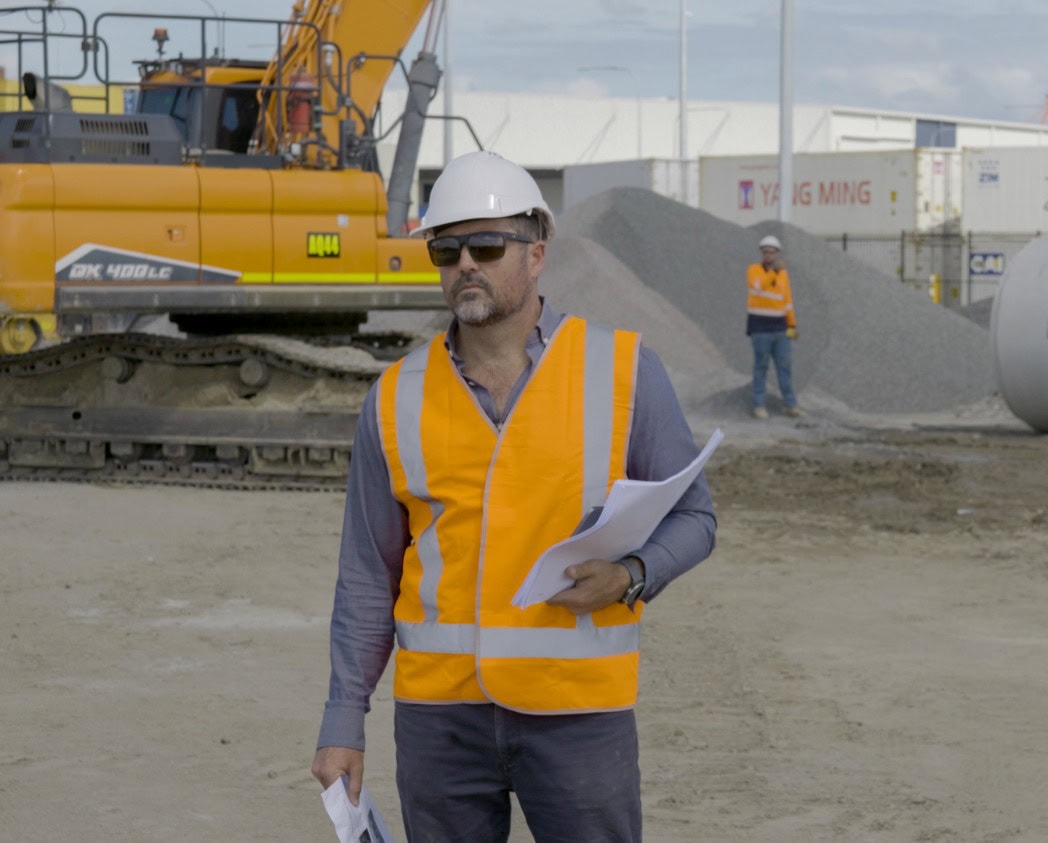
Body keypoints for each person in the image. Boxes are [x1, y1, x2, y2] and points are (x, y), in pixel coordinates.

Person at [310, 150, 717, 843]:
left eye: (488, 245)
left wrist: (631, 574)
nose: (465, 263)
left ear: (537, 254)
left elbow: (695, 516)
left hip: (578, 711)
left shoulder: (624, 369)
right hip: (440, 721)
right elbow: (367, 575)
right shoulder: (395, 396)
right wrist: (343, 720)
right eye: (447, 250)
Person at [745, 234, 803, 419]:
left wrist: (792, 325)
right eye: (765, 252)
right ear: (761, 253)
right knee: (761, 367)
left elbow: (787, 301)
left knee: (784, 366)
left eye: (772, 252)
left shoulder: (783, 275)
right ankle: (759, 405)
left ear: (777, 253)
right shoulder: (754, 270)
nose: (768, 255)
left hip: (780, 328)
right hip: (760, 328)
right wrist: (773, 272)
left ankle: (790, 404)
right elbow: (759, 287)